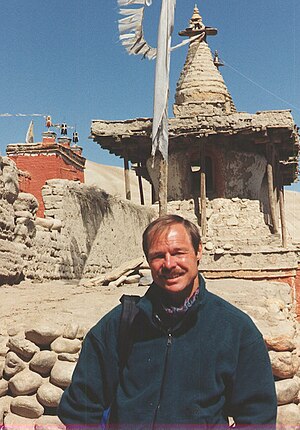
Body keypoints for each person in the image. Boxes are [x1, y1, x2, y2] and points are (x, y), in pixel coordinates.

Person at [58, 215, 277, 429]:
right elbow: (82, 408)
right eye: (158, 256)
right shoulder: (119, 325)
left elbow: (258, 416)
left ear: (198, 251)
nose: (169, 264)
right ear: (147, 260)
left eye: (178, 253)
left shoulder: (235, 329)